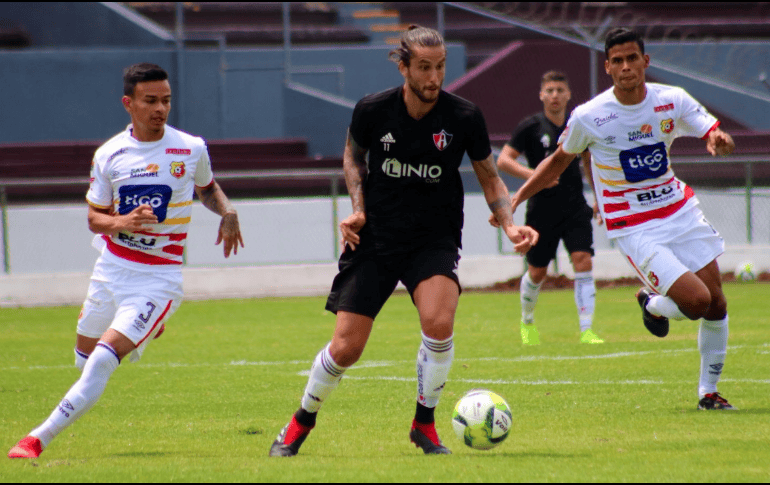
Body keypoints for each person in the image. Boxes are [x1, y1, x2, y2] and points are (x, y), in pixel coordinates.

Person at [268, 25, 538, 457]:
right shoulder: (373, 110)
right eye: (425, 68)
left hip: (434, 238)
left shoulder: (464, 116)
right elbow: (353, 156)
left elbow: (490, 176)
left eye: (441, 67)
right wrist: (357, 207)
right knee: (345, 348)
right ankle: (300, 421)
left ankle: (424, 425)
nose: (434, 78)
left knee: (439, 323)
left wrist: (508, 225)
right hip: (375, 239)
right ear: (404, 67)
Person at [8, 63, 245, 459]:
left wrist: (227, 210)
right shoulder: (109, 155)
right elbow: (93, 219)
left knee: (102, 359)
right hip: (112, 269)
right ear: (128, 103)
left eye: (166, 100)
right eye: (150, 101)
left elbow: (206, 189)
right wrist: (121, 221)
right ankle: (146, 329)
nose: (160, 109)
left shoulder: (190, 148)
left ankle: (36, 439)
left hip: (159, 277)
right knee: (82, 359)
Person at [506, 28, 737, 410]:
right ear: (608, 67)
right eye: (618, 60)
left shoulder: (671, 100)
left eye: (633, 58)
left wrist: (717, 140)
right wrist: (517, 196)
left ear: (646, 61)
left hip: (679, 211)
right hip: (635, 225)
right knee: (697, 301)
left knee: (718, 306)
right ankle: (652, 303)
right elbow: (556, 164)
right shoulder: (590, 116)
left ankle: (708, 393)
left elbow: (710, 130)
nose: (626, 66)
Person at [495, 71, 604, 345]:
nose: (555, 95)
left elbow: (589, 161)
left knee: (583, 261)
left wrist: (599, 199)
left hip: (575, 206)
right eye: (550, 90)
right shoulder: (530, 126)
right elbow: (504, 161)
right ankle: (527, 322)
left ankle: (587, 330)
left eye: (560, 90)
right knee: (537, 271)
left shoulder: (577, 124)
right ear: (541, 95)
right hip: (541, 211)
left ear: (568, 95)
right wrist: (535, 176)